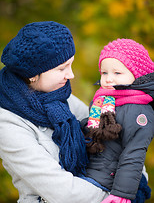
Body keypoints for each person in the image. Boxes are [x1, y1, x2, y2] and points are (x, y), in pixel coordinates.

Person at [0, 21, 109, 203]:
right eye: (62, 68)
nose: (71, 75)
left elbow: (111, 141)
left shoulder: (60, 96)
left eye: (71, 65)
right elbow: (64, 193)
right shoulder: (7, 123)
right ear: (32, 74)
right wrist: (119, 193)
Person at [81, 38, 154, 203]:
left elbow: (133, 155)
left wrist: (121, 194)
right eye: (104, 72)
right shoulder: (103, 100)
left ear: (136, 76)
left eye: (117, 73)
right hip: (89, 172)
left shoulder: (138, 111)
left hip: (108, 184)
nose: (108, 78)